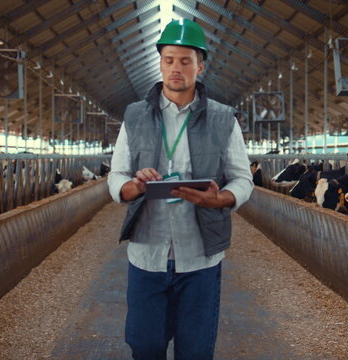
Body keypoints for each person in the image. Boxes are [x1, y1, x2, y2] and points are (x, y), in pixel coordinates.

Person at [108, 18, 253, 360]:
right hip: (147, 254)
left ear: (200, 66)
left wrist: (221, 198)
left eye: (185, 61)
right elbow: (116, 174)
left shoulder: (223, 119)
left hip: (200, 256)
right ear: (160, 63)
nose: (176, 68)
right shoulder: (134, 116)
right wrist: (133, 187)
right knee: (145, 345)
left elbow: (242, 178)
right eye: (169, 60)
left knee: (196, 350)